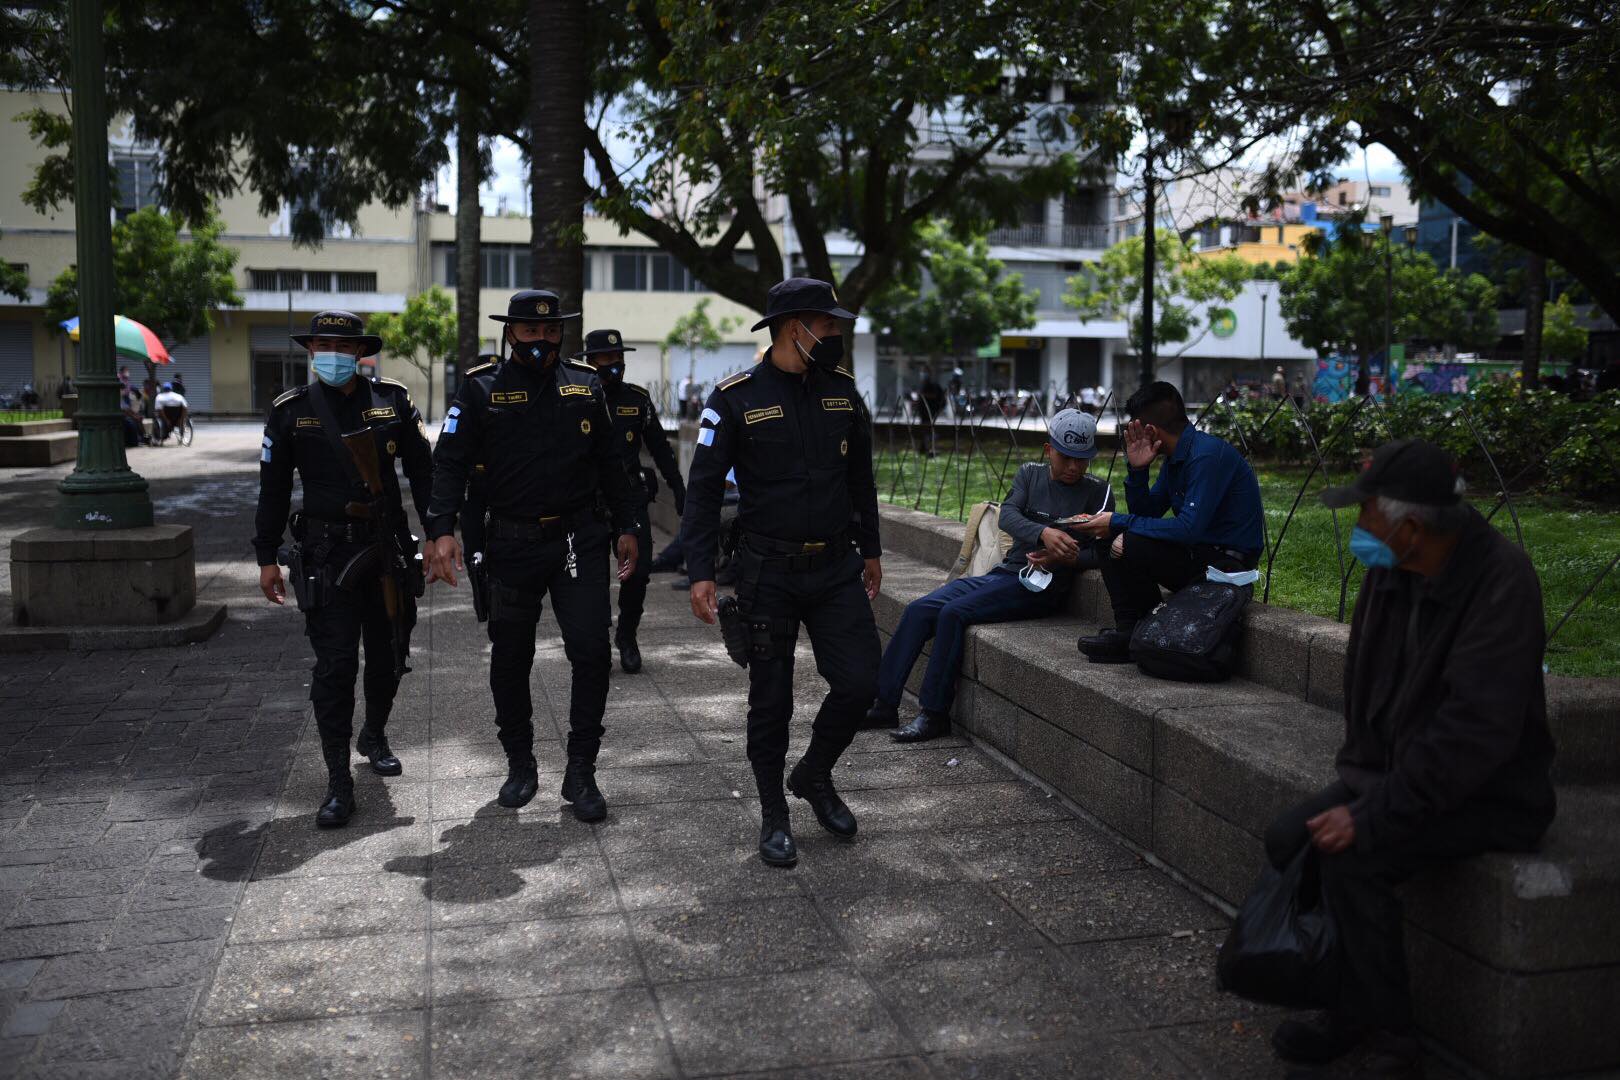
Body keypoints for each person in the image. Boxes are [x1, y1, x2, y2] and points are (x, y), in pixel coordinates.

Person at [1254, 439, 1556, 1077]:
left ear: (1410, 527)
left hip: (1489, 792)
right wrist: (1360, 788)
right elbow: (1371, 695)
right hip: (1393, 773)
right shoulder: (1391, 569)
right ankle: (1344, 988)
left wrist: (1371, 814)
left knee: (1353, 856)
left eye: (1366, 514)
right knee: (1290, 837)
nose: (1358, 528)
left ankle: (1388, 1033)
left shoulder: (1502, 581)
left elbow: (1474, 735)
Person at [682, 277, 883, 868]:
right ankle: (774, 813)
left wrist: (871, 548)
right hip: (767, 570)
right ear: (793, 327)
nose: (837, 335)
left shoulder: (844, 393)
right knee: (770, 701)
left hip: (835, 567)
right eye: (828, 326)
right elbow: (701, 492)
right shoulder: (734, 398)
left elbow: (861, 481)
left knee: (860, 683)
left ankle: (814, 773)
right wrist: (700, 572)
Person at [425, 290, 640, 821]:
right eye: (530, 331)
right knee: (510, 659)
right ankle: (520, 765)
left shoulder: (587, 386)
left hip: (577, 540)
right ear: (510, 333)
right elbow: (449, 462)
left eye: (550, 332)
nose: (541, 340)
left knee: (591, 651)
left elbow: (613, 462)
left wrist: (629, 524)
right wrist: (441, 530)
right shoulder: (480, 390)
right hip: (511, 544)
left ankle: (581, 772)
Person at [254, 311, 433, 827]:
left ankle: (373, 733)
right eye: (322, 343)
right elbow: (272, 488)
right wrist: (266, 554)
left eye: (342, 344)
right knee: (335, 667)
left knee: (390, 655)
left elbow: (423, 472)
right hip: (326, 556)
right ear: (311, 350)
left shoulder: (392, 401)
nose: (331, 352)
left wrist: (443, 532)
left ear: (360, 352)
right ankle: (338, 782)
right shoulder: (290, 411)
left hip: (385, 551)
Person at [867, 409, 1113, 742]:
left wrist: (1065, 559)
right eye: (1066, 457)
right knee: (919, 610)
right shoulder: (1030, 474)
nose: (1074, 467)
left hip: (1041, 585)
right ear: (1048, 450)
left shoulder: (1099, 492)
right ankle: (884, 704)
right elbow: (1008, 516)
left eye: (1082, 460)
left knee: (953, 614)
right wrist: (1044, 533)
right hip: (1004, 574)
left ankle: (934, 713)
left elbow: (1102, 552)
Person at [1075, 380, 1264, 662]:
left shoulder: (1206, 456)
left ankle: (1139, 631)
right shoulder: (1176, 457)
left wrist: (1117, 521)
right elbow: (1148, 513)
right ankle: (1132, 630)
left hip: (1226, 567)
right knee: (1108, 540)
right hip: (1197, 556)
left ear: (1150, 430)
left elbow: (1188, 528)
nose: (1132, 434)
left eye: (1135, 428)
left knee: (1128, 538)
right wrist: (1138, 471)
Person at [573, 328, 687, 674]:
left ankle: (627, 636)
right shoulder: (576, 399)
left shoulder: (637, 400)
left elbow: (661, 450)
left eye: (618, 359)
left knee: (636, 576)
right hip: (588, 505)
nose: (614, 365)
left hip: (631, 501)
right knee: (590, 579)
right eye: (606, 359)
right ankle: (598, 639)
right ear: (590, 362)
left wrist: (679, 490)